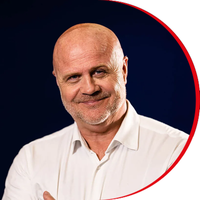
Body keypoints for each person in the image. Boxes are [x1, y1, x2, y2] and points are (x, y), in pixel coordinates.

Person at [2, 23, 189, 200]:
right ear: (58, 81)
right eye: (73, 77)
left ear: (123, 70)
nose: (89, 88)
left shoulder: (178, 153)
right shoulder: (31, 159)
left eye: (99, 72)